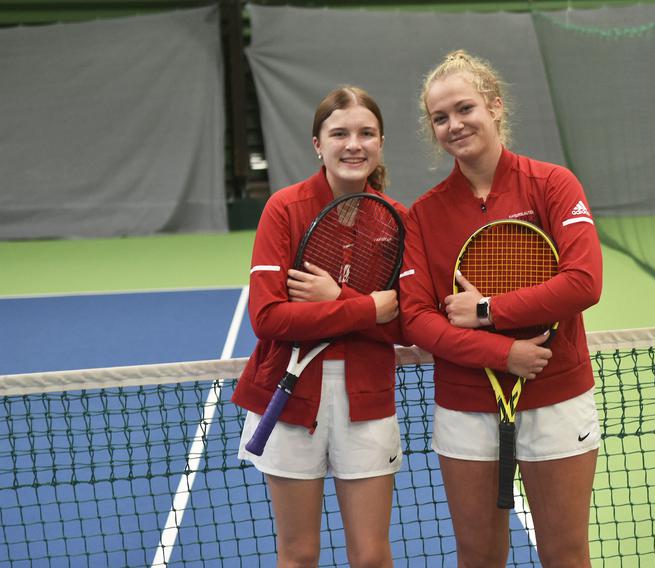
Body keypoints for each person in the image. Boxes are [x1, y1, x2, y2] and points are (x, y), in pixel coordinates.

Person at [398, 50, 603, 567]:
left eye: (464, 109)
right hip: (465, 405)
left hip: (556, 396)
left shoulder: (554, 185)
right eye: (439, 118)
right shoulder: (423, 213)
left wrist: (487, 310)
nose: (454, 125)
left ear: (493, 106)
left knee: (565, 552)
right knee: (478, 555)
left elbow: (583, 282)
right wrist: (501, 353)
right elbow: (416, 319)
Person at [232, 86, 405, 568]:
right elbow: (268, 319)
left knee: (371, 556)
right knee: (300, 554)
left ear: (381, 142)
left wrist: (337, 300)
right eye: (340, 133)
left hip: (367, 396)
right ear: (318, 144)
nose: (354, 144)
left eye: (366, 133)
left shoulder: (397, 222)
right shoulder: (284, 209)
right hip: (289, 396)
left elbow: (408, 324)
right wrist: (367, 310)